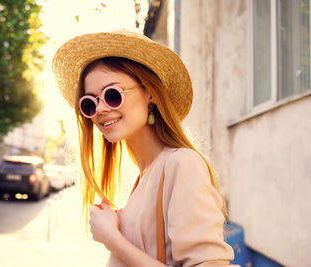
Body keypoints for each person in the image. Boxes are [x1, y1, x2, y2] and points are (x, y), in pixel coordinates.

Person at [52, 30, 237, 267]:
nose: (100, 110)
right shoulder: (141, 178)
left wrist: (112, 239)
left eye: (112, 95)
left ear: (149, 92)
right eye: (90, 102)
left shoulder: (181, 164)